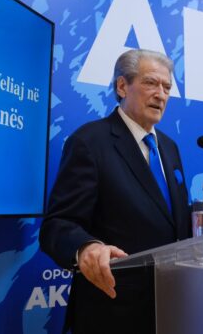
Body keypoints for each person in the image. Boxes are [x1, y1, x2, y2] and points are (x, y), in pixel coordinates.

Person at [39, 49, 191, 334]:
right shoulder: (90, 142)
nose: (161, 95)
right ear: (122, 86)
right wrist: (86, 248)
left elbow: (171, 220)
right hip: (113, 311)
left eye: (167, 87)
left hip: (171, 307)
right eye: (151, 83)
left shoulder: (169, 148)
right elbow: (58, 225)